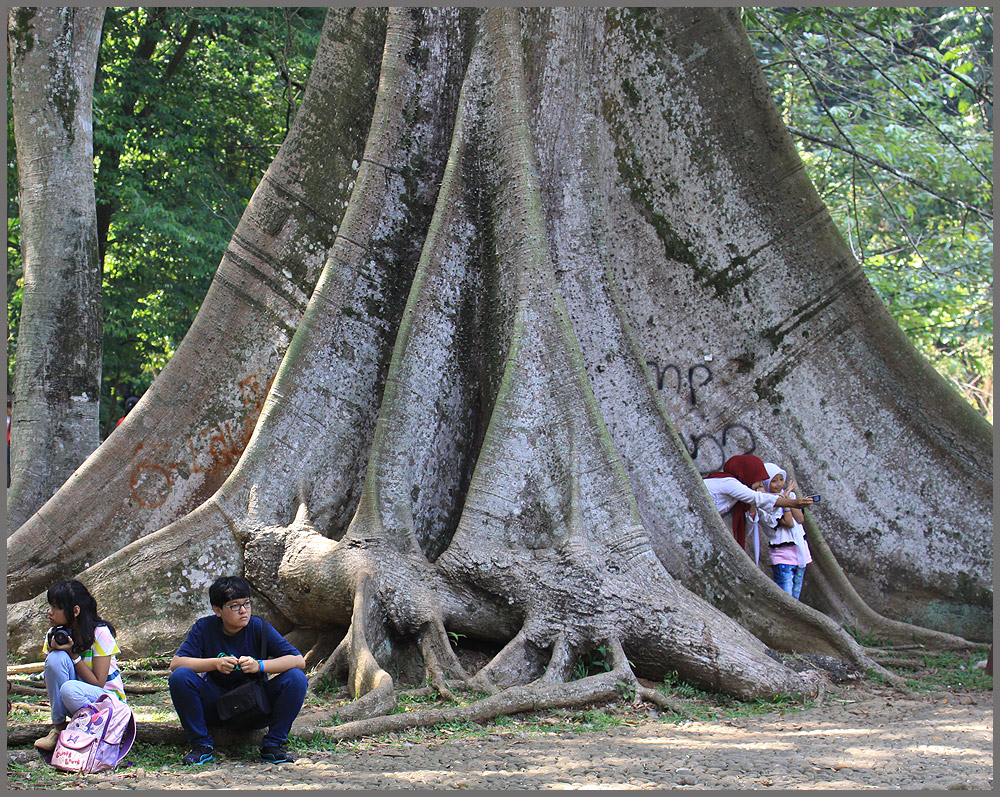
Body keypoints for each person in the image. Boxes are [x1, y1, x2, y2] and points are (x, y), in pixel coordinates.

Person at [168, 576, 307, 766]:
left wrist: (260, 665)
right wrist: (215, 664)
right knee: (180, 677)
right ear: (218, 610)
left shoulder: (259, 627)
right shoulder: (204, 628)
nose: (243, 611)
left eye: (247, 604)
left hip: (254, 705)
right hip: (216, 704)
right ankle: (201, 745)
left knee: (296, 678)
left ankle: (273, 746)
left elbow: (298, 660)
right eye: (234, 606)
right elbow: (176, 664)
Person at [34, 580, 127, 752]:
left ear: (75, 611)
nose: (50, 612)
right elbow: (51, 681)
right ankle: (59, 728)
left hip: (106, 703)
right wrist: (55, 652)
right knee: (56, 660)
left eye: (56, 607)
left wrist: (73, 656)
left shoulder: (100, 633)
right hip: (74, 699)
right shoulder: (55, 634)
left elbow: (98, 683)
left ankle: (86, 732)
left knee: (69, 689)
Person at [703, 454, 813, 551]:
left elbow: (747, 529)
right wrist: (793, 503)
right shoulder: (729, 483)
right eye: (758, 479)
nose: (761, 484)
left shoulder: (739, 498)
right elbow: (758, 498)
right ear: (748, 475)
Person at [758, 462, 812, 599]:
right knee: (786, 596)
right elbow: (788, 523)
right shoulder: (766, 504)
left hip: (800, 553)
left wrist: (788, 499)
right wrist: (784, 503)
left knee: (796, 595)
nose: (779, 484)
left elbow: (799, 519)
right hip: (782, 555)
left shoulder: (790, 496)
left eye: (781, 479)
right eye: (774, 481)